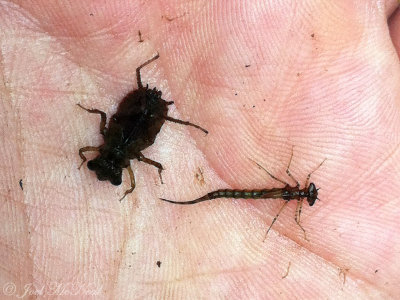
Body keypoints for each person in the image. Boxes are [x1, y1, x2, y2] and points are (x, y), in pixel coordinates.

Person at [1, 1, 399, 298]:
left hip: (147, 118)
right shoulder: (127, 154)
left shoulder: (114, 149)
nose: (306, 193)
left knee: (222, 190)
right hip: (147, 120)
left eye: (306, 194)